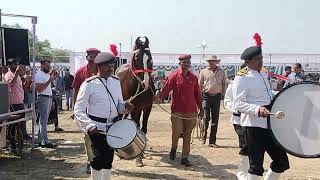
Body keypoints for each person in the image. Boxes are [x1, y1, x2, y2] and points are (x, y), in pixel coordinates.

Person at [233, 35, 289, 179]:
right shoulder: (242, 77)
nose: (261, 61)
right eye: (257, 59)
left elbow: (267, 93)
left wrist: (280, 94)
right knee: (256, 166)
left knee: (281, 161)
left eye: (261, 58)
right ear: (248, 61)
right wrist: (257, 110)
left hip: (270, 123)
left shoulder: (263, 73)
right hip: (254, 125)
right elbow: (238, 104)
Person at [74, 52, 134, 180]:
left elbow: (118, 106)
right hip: (96, 129)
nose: (110, 68)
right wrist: (89, 125)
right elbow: (78, 110)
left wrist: (125, 107)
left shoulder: (116, 82)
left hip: (112, 128)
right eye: (107, 66)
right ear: (99, 67)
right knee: (96, 162)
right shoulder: (89, 84)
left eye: (112, 66)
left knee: (108, 161)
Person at [154, 54, 204, 167]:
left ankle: (185, 157)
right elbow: (166, 89)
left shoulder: (194, 78)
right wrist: (159, 97)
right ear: (180, 64)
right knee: (176, 132)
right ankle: (173, 148)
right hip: (177, 111)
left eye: (188, 62)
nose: (186, 64)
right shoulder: (174, 77)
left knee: (187, 134)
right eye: (184, 62)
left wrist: (201, 109)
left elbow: (198, 95)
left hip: (191, 111)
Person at [72, 48, 100, 174]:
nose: (92, 58)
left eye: (95, 56)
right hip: (85, 110)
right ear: (86, 57)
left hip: (100, 109)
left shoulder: (103, 72)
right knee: (88, 136)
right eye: (90, 56)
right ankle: (91, 161)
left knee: (100, 136)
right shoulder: (80, 72)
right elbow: (75, 91)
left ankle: (99, 159)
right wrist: (75, 109)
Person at [224, 63, 249, 179]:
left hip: (252, 120)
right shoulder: (233, 85)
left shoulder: (255, 85)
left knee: (252, 145)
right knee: (244, 144)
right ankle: (243, 171)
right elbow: (227, 102)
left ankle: (250, 169)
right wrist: (237, 108)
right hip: (238, 119)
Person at [198, 55, 226, 147]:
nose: (211, 62)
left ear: (216, 62)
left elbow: (223, 84)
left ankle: (212, 141)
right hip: (206, 96)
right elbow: (199, 85)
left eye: (213, 61)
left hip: (217, 97)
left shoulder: (221, 72)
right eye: (210, 61)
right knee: (206, 118)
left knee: (215, 119)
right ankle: (204, 138)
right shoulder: (203, 72)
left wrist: (223, 96)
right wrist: (198, 98)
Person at [4, 58, 27, 154]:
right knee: (13, 126)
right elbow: (9, 85)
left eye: (17, 64)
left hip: (20, 103)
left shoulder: (17, 75)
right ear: (9, 66)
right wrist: (17, 73)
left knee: (20, 125)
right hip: (13, 104)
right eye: (14, 64)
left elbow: (20, 87)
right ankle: (13, 146)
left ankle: (20, 145)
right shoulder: (8, 75)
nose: (16, 66)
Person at [35, 60, 57, 148]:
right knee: (43, 121)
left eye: (49, 66)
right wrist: (49, 81)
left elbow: (49, 88)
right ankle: (45, 141)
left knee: (43, 120)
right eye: (47, 66)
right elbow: (39, 89)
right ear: (42, 65)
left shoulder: (46, 74)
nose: (48, 68)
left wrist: (51, 100)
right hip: (43, 97)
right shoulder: (39, 75)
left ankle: (42, 140)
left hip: (47, 97)